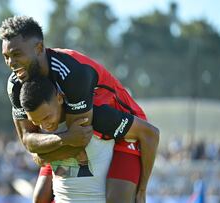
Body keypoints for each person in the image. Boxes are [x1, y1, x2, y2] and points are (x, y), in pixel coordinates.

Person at [0, 15, 156, 202]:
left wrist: (44, 153)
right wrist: (52, 146)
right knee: (40, 198)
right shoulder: (16, 84)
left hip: (118, 126)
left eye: (16, 54)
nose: (10, 63)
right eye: (6, 57)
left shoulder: (72, 73)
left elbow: (79, 140)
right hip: (66, 130)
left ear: (39, 48)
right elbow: (28, 140)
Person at [18, 76, 159, 202]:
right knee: (39, 198)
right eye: (36, 122)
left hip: (121, 144)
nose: (44, 126)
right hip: (75, 170)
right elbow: (39, 155)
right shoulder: (42, 120)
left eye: (46, 117)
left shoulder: (96, 116)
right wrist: (46, 153)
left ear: (60, 98)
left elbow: (151, 134)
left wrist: (142, 191)